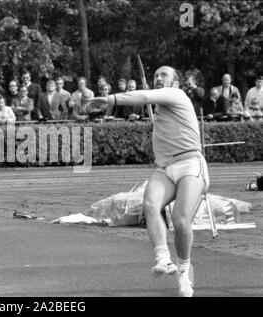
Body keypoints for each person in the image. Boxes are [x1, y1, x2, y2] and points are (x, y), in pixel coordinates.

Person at [90, 65, 210, 297]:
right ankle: (163, 258)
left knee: (181, 221)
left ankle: (184, 271)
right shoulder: (159, 107)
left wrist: (110, 100)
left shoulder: (177, 94)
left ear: (175, 83)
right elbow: (148, 100)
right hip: (165, 168)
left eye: (163, 75)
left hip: (191, 164)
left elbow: (143, 95)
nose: (157, 77)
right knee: (150, 205)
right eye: (155, 75)